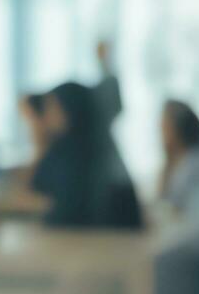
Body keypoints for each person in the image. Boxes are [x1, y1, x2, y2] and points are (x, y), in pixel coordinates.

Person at [30, 81, 143, 230]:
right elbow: (35, 188)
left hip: (99, 244)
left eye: (53, 107)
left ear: (70, 109)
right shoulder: (60, 150)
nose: (48, 115)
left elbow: (65, 213)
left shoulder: (90, 157)